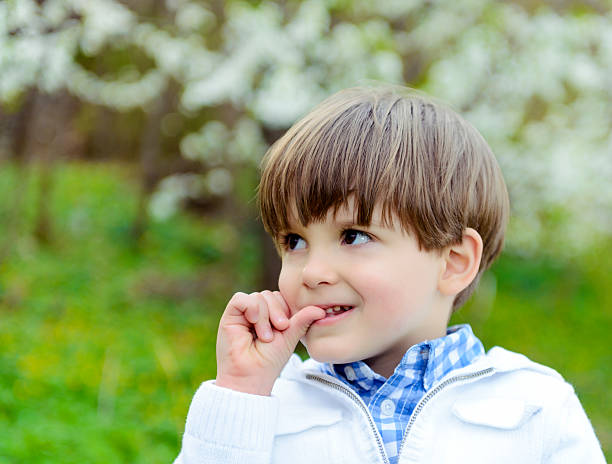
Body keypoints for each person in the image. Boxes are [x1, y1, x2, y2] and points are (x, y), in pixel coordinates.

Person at [173, 86, 605, 464]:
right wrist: (240, 391)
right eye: (294, 242)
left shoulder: (535, 408)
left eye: (354, 236)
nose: (313, 272)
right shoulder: (267, 405)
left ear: (453, 262)